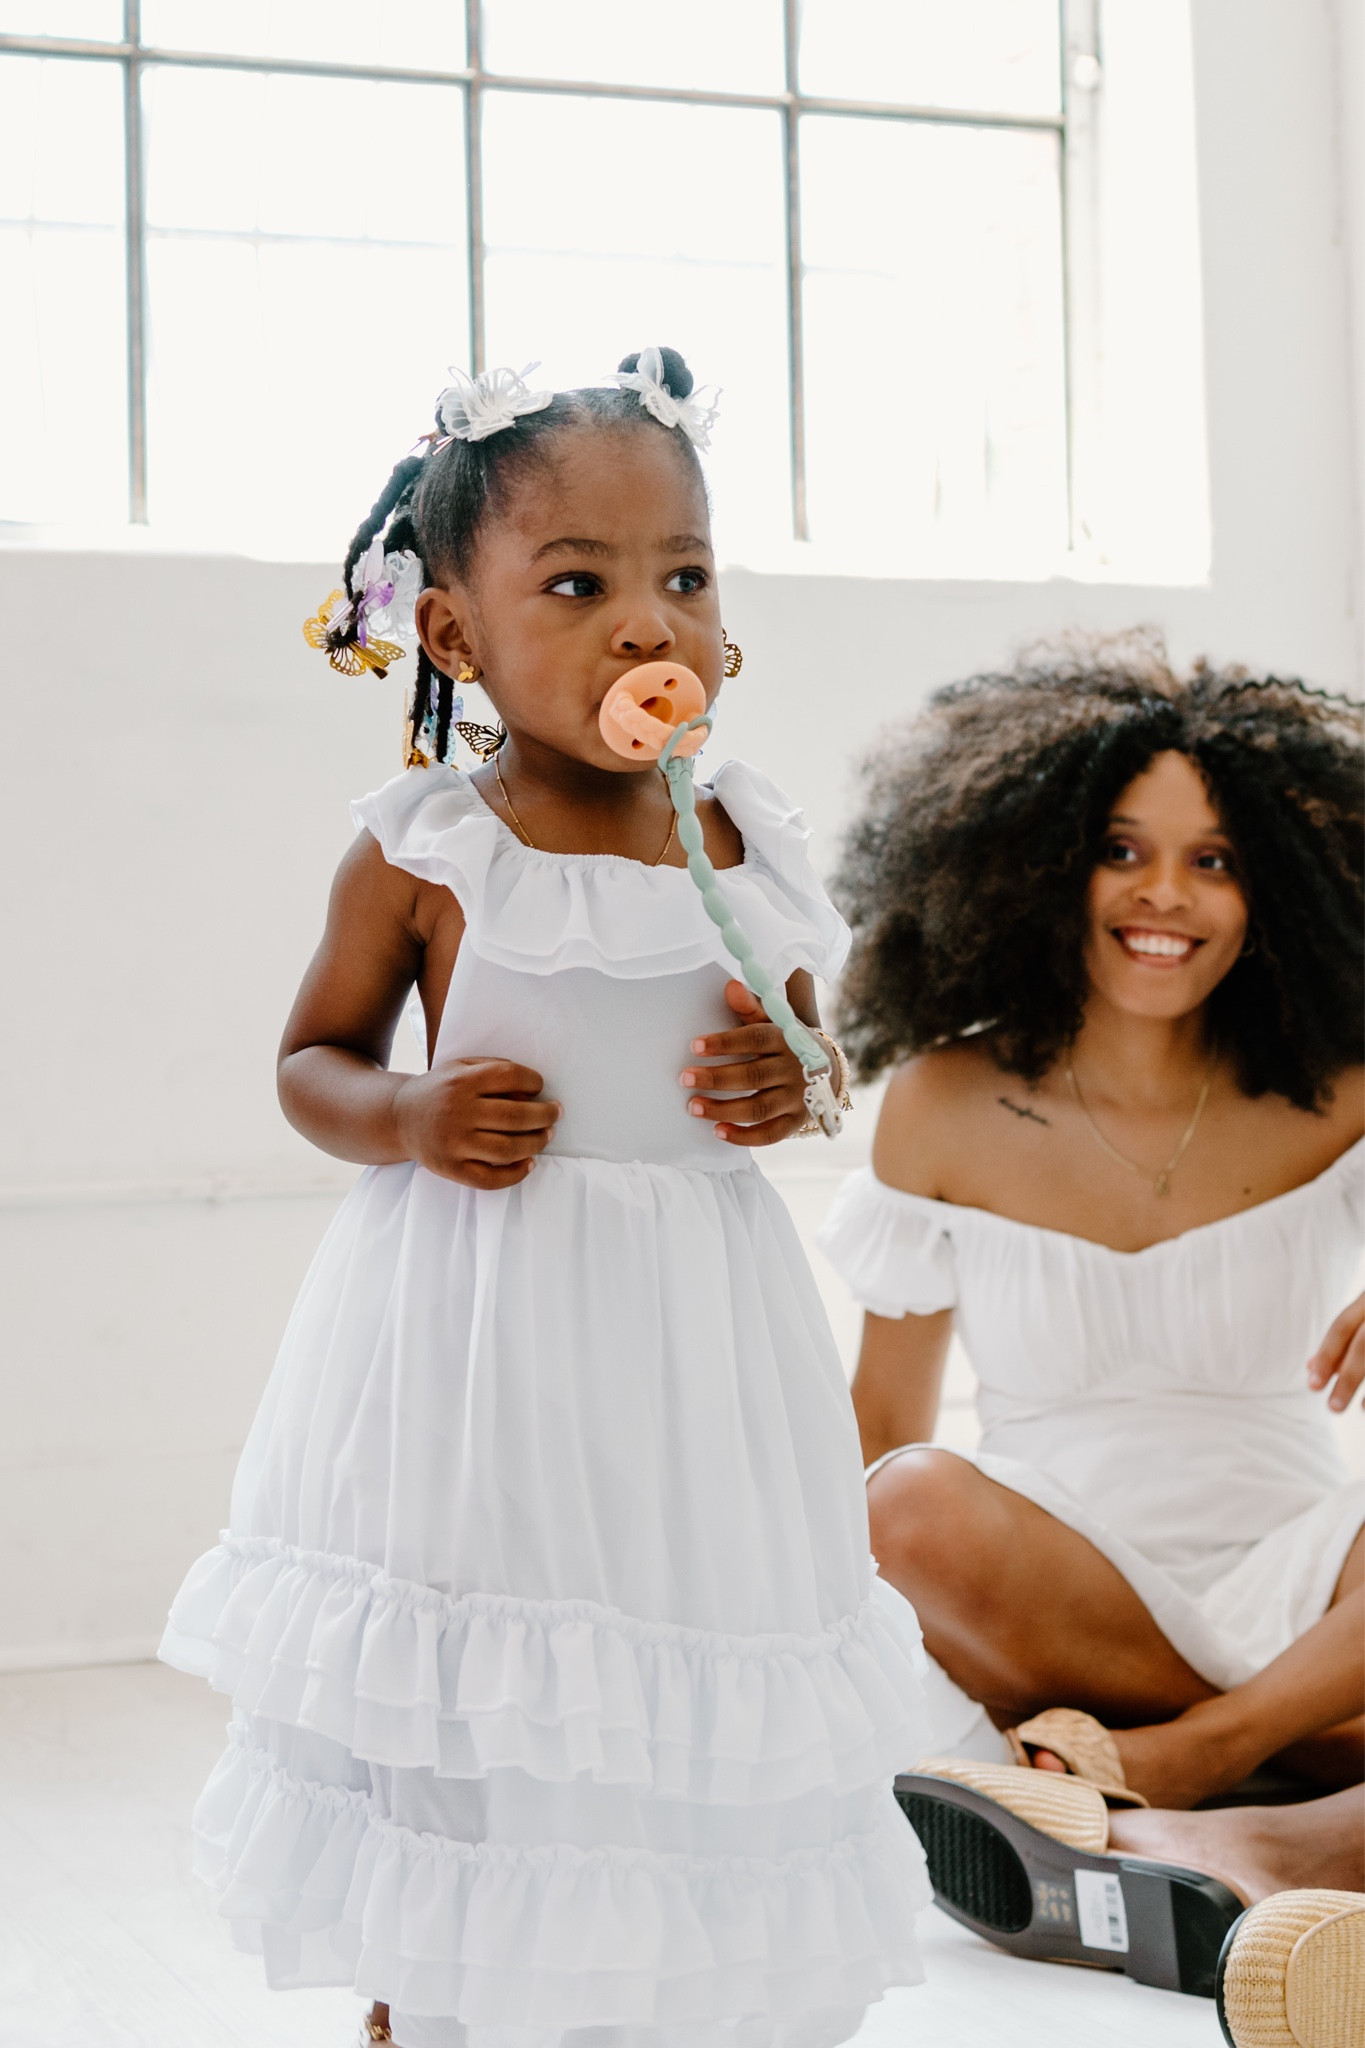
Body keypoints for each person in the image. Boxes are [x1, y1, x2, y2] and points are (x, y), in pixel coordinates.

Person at [158, 351, 931, 2048]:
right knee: (475, 1665)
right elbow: (312, 1059)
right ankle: (434, 1967)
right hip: (482, 1334)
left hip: (699, 1344)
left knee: (686, 1638)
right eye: (576, 585)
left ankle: (673, 1976)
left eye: (686, 577)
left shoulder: (746, 837)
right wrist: (411, 1111)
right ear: (455, 635)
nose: (646, 625)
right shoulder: (435, 849)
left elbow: (819, 1048)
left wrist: (790, 1084)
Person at [817, 639, 1364, 1909]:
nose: (1162, 894)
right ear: (1037, 865)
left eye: (1214, 859)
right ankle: (1306, 1770)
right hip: (1065, 1595)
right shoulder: (947, 1103)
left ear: (1279, 888)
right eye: (1122, 849)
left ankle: (1200, 1767)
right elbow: (880, 1430)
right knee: (903, 1504)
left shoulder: (1340, 1092)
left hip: (1310, 1578)